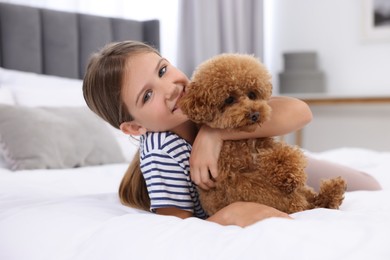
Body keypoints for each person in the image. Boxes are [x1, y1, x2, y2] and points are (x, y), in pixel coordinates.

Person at [83, 41, 381, 227]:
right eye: (147, 95)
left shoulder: (205, 96)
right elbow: (174, 224)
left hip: (262, 165)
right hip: (245, 183)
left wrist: (213, 134)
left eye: (162, 71)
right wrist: (226, 216)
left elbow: (301, 111)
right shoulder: (162, 151)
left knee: (369, 185)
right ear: (135, 127)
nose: (171, 89)